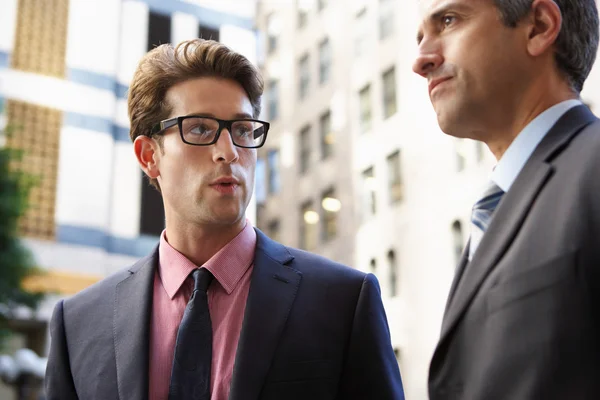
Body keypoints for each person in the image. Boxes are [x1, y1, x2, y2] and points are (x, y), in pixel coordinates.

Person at [44, 39, 404, 400]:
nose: (229, 152)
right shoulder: (78, 324)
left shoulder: (342, 303)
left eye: (243, 130)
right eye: (200, 129)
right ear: (149, 155)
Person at [413, 0, 600, 398]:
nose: (421, 60)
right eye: (419, 38)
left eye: (448, 21)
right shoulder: (495, 208)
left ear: (539, 26)